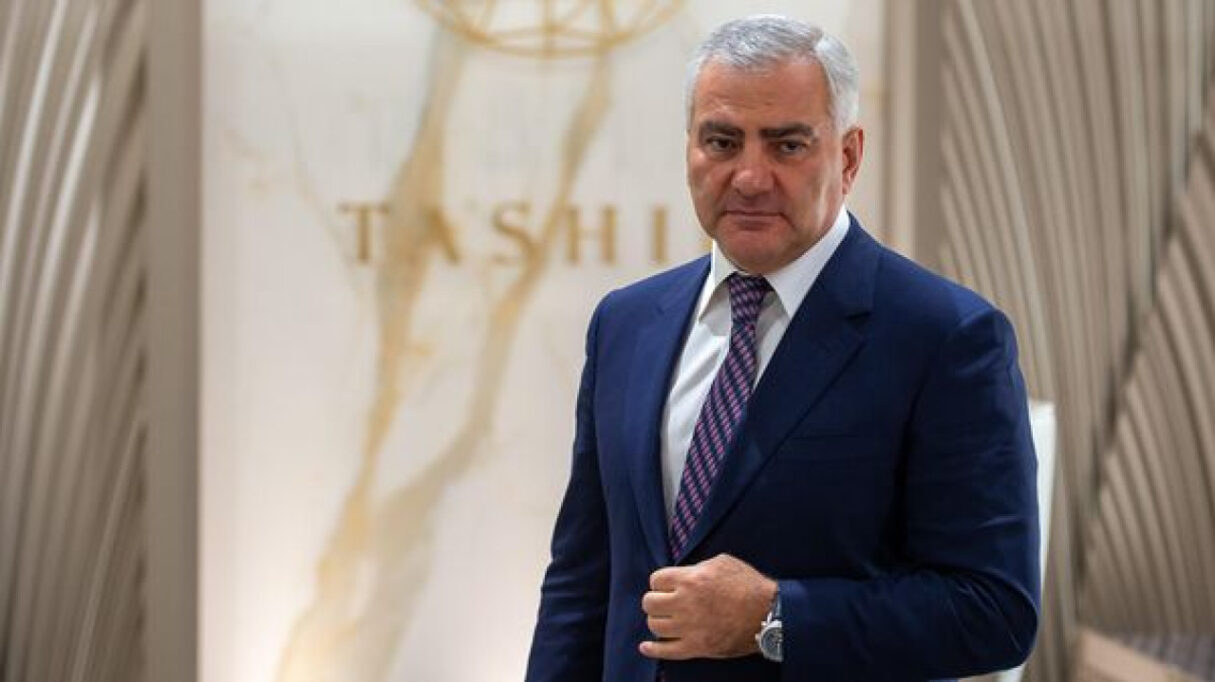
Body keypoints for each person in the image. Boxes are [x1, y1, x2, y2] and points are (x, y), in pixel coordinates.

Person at [525, 14, 1039, 682]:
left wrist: (774, 617)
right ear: (690, 148)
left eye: (787, 145)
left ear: (848, 156)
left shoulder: (946, 338)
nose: (748, 176)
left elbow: (994, 611)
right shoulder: (625, 323)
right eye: (721, 141)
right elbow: (581, 582)